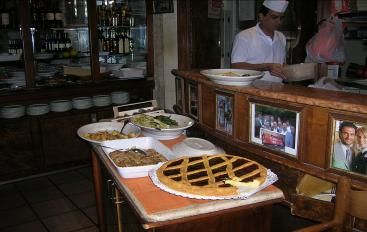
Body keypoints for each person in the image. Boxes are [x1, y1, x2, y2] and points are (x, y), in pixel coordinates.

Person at [231, 0, 289, 82]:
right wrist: (266, 67)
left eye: (281, 18)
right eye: (274, 17)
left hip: (277, 90)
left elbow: (281, 63)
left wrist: (289, 70)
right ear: (261, 16)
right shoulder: (244, 36)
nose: (279, 22)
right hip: (252, 90)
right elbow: (236, 66)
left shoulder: (281, 37)